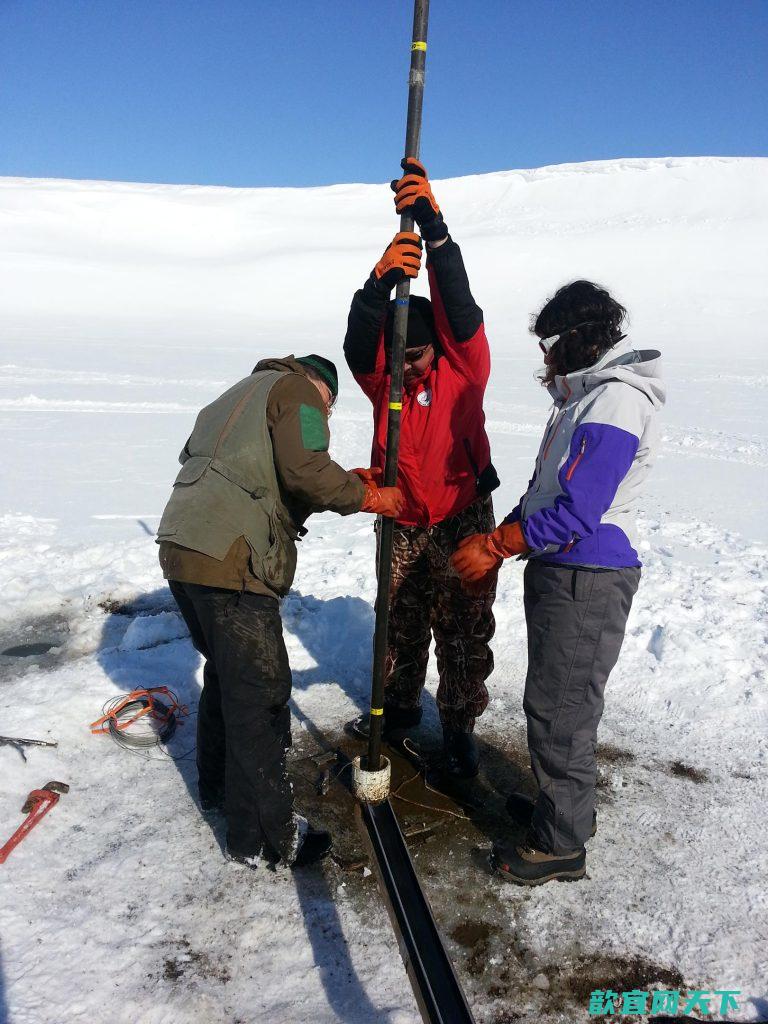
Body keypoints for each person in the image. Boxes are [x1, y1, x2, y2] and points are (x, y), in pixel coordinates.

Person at [452, 281, 665, 885]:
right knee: (555, 701)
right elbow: (546, 493)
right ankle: (562, 811)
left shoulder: (615, 403)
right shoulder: (581, 400)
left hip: (587, 576)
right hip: (566, 571)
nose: (543, 357)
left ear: (577, 339)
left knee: (561, 709)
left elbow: (576, 512)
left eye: (548, 343)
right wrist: (503, 533)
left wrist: (495, 546)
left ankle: (562, 845)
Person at [156, 354, 403, 868]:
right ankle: (265, 838)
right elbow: (305, 469)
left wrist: (346, 482)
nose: (326, 416)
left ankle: (219, 791)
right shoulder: (300, 392)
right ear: (324, 390)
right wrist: (368, 495)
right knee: (262, 695)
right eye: (330, 408)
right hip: (230, 557)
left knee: (228, 677)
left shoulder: (240, 393)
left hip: (185, 548)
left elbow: (272, 479)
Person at [344, 159, 499, 781]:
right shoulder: (384, 381)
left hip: (463, 517)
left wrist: (434, 231)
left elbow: (459, 308)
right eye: (397, 355)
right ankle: (399, 708)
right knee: (398, 620)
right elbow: (359, 344)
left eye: (416, 354)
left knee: (464, 630)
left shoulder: (463, 368)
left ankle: (459, 728)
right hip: (403, 517)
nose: (406, 366)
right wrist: (377, 282)